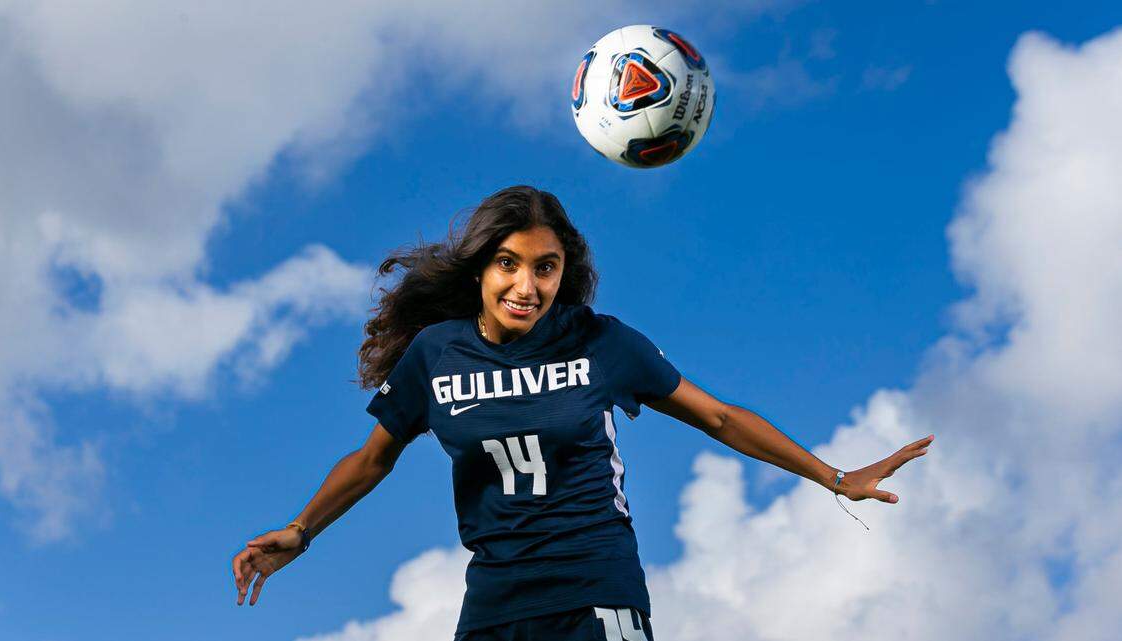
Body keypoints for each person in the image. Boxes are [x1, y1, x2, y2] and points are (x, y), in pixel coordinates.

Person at [231, 185, 934, 640]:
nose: (527, 284)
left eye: (547, 266)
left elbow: (719, 417)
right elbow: (371, 459)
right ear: (481, 267)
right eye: (509, 263)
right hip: (496, 603)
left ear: (565, 273)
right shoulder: (435, 355)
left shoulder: (602, 344)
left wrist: (834, 476)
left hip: (597, 590)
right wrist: (302, 530)